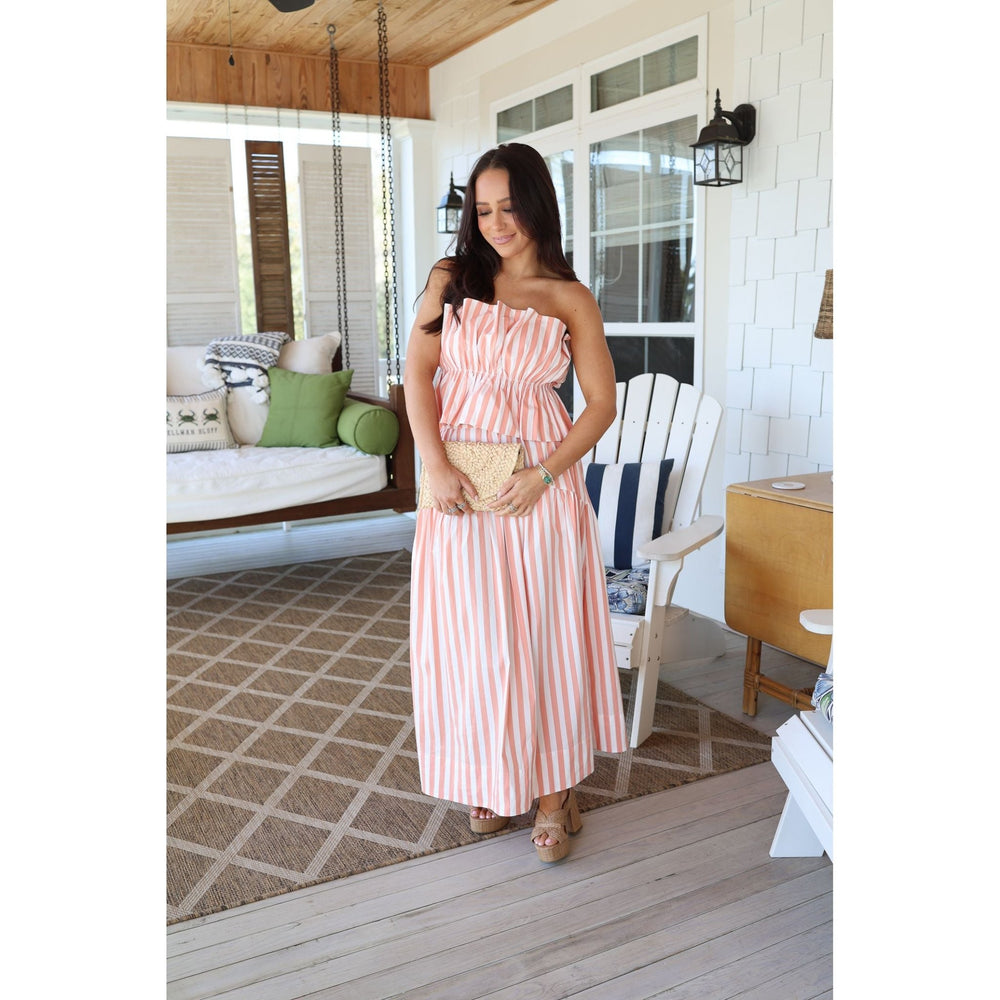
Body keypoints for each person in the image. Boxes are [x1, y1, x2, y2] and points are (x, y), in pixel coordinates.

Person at [403, 142, 627, 863]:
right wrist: (433, 465)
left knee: (542, 634)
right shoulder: (453, 278)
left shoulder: (569, 298)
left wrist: (547, 475)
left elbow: (599, 405)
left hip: (537, 490)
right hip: (460, 488)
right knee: (472, 637)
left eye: (509, 207)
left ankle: (556, 793)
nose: (496, 223)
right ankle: (490, 776)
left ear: (537, 205)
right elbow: (416, 370)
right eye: (484, 209)